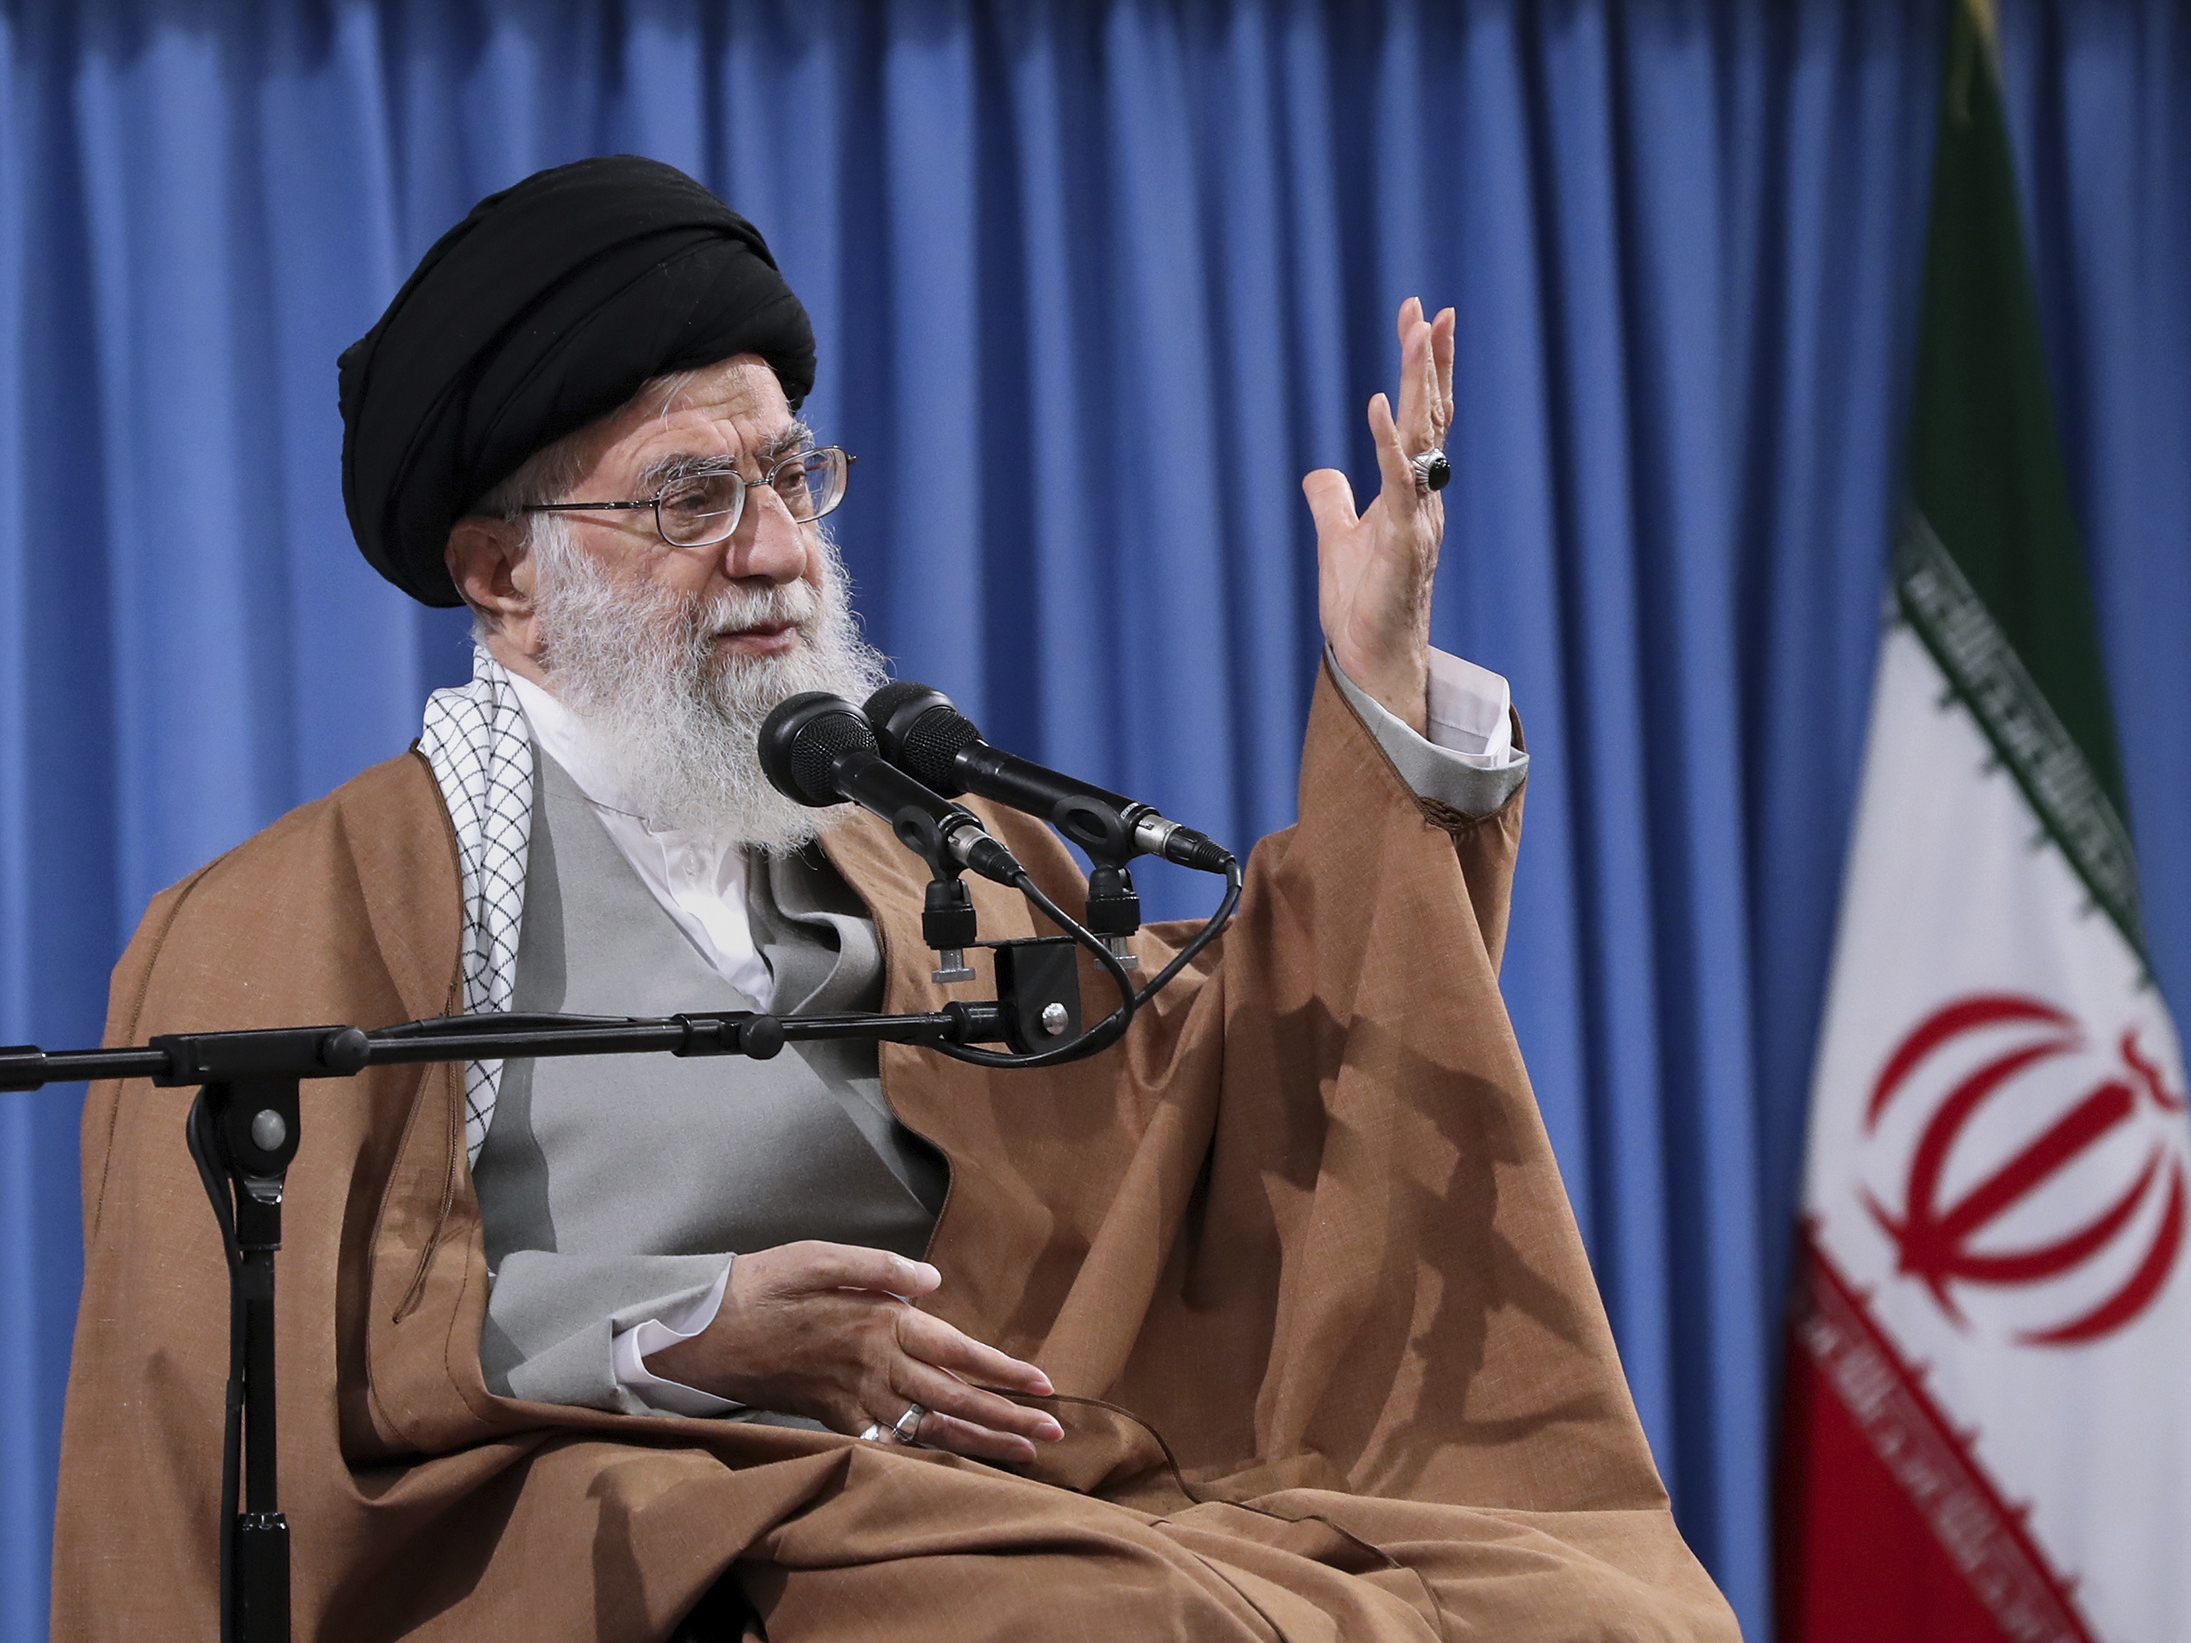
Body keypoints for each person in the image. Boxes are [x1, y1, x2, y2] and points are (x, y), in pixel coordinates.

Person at [53, 157, 1736, 1642]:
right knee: (1108, 1615)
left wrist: (1379, 706)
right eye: (692, 496)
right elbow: (239, 1378)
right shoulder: (305, 908)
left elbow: (1246, 1097)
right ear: (504, 576)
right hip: (666, 1540)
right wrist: (682, 1333)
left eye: (789, 476)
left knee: (1571, 1597)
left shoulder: (908, 840)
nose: (776, 546)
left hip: (1009, 1498)